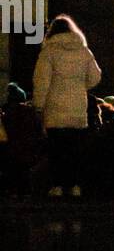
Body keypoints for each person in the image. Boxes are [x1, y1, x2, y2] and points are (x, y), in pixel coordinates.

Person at [32, 14, 101, 196]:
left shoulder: (48, 52)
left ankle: (58, 186)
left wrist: (38, 106)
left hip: (55, 109)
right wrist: (80, 86)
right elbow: (95, 76)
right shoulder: (84, 51)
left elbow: (41, 82)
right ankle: (75, 185)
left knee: (57, 149)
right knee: (74, 150)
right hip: (78, 108)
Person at [1, 82, 43, 193]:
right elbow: (39, 132)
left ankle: (12, 189)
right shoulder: (32, 113)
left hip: (11, 151)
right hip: (30, 150)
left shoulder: (8, 113)